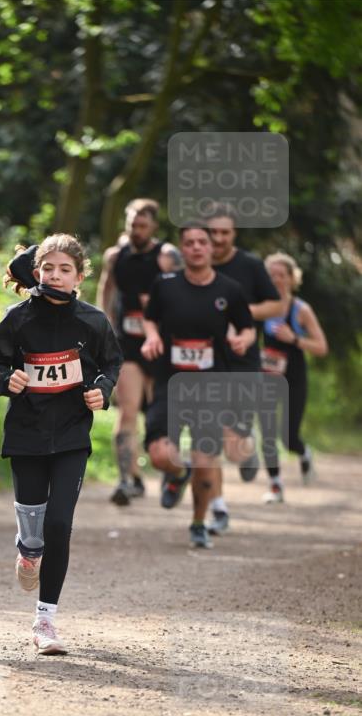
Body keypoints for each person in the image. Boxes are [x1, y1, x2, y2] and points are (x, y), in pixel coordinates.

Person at [0, 235, 122, 654]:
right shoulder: (18, 318)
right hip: (26, 433)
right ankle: (28, 549)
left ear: (80, 276)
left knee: (60, 524)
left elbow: (112, 363)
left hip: (71, 436)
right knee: (35, 526)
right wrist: (7, 380)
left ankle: (45, 621)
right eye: (47, 268)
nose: (55, 276)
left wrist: (102, 388)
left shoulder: (93, 321)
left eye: (65, 269)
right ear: (36, 272)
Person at [141, 224, 255, 549]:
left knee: (206, 463)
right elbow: (150, 318)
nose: (196, 248)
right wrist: (151, 336)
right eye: (189, 242)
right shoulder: (165, 285)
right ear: (182, 248)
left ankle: (198, 523)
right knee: (160, 454)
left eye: (201, 242)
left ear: (210, 248)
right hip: (170, 383)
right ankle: (178, 474)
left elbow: (248, 329)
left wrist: (241, 340)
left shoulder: (229, 289)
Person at [97, 199, 180, 506]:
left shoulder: (167, 256)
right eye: (132, 224)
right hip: (128, 343)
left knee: (157, 415)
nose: (136, 231)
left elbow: (186, 293)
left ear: (154, 227)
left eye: (142, 226)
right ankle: (128, 479)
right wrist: (104, 322)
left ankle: (171, 470)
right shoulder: (116, 256)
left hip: (161, 345)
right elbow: (106, 288)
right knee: (127, 410)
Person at [207, 206, 284, 534]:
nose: (219, 239)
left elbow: (277, 305)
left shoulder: (250, 266)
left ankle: (247, 449)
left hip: (243, 361)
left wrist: (241, 309)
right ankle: (218, 508)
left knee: (233, 443)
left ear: (234, 233)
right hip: (204, 361)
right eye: (213, 233)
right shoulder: (196, 265)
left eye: (225, 233)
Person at [259, 251, 328, 503]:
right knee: (266, 431)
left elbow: (322, 347)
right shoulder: (261, 308)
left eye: (281, 275)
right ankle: (275, 485)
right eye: (271, 275)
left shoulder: (301, 310)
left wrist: (295, 339)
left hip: (294, 379)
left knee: (288, 437)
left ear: (291, 278)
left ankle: (304, 452)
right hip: (266, 377)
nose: (276, 280)